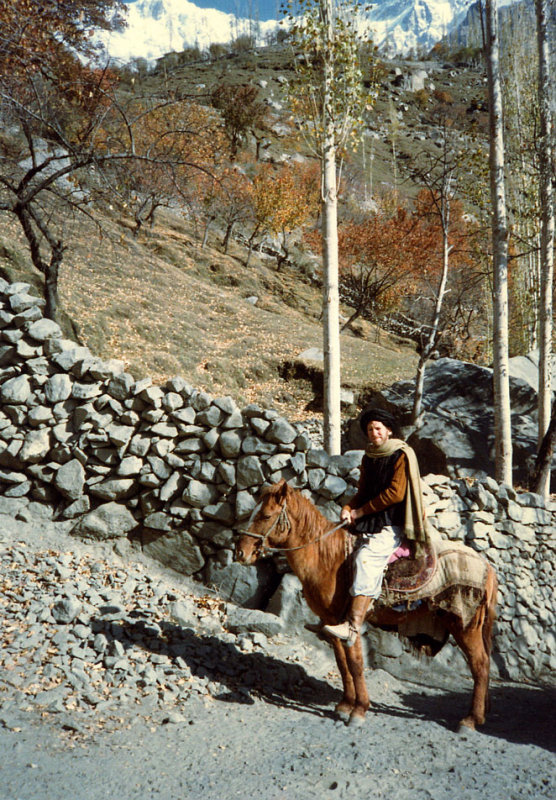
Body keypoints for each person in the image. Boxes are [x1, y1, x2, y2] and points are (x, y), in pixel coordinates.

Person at [323, 407, 429, 647]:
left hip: (391, 522)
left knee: (365, 559)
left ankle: (353, 626)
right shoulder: (369, 456)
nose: (374, 433)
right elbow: (362, 491)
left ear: (389, 430)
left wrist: (360, 512)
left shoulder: (400, 454)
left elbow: (395, 493)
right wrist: (348, 508)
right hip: (369, 517)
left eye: (378, 428)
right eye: (370, 429)